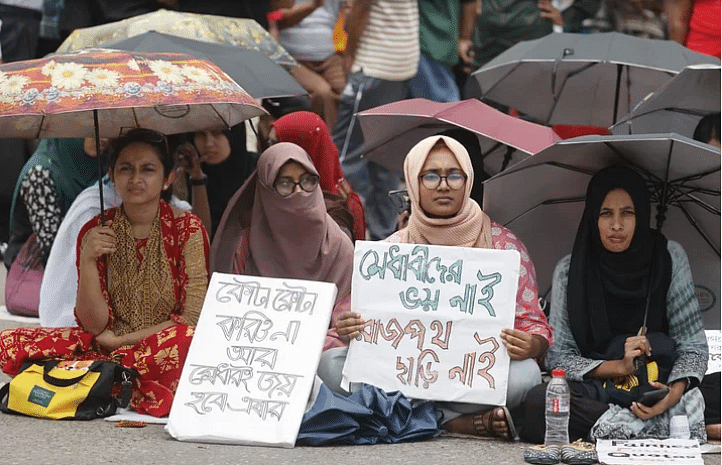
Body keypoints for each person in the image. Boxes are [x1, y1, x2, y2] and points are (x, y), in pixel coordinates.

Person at [336, 135, 553, 440]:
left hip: (471, 379)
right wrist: (348, 327)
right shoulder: (392, 250)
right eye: (431, 176)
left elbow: (534, 323)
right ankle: (454, 421)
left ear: (468, 180)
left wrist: (533, 344)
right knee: (330, 366)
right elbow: (352, 314)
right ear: (413, 182)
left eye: (454, 175)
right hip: (408, 377)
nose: (443, 185)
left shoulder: (504, 247)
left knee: (527, 375)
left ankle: (418, 416)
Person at [0, 128, 210, 417]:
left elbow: (191, 318)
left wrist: (123, 340)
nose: (135, 179)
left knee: (189, 341)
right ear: (112, 175)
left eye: (148, 169)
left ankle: (108, 379)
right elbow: (93, 325)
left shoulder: (188, 228)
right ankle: (118, 378)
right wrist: (88, 259)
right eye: (126, 168)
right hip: (105, 346)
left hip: (160, 346)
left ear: (168, 178)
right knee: (12, 341)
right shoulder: (96, 228)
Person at [520, 165, 709, 443]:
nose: (616, 225)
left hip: (659, 383)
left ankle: (625, 427)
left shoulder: (668, 257)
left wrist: (672, 395)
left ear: (642, 215)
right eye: (606, 213)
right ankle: (672, 428)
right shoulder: (570, 271)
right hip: (599, 388)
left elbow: (691, 346)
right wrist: (617, 366)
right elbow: (559, 357)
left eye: (628, 213)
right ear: (592, 217)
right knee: (540, 401)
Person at [210, 142, 354, 394]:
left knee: (334, 369)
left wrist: (304, 352)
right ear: (266, 190)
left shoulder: (339, 244)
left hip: (319, 355)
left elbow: (342, 324)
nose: (299, 192)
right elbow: (231, 315)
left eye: (308, 181)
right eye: (285, 184)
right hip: (257, 355)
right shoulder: (247, 244)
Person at [332, 0, 419, 241]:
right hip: (402, 63)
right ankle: (385, 236)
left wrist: (349, 53)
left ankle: (338, 233)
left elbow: (362, 7)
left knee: (345, 157)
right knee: (384, 155)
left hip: (375, 64)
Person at [5, 137, 108, 270]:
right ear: (66, 132)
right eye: (86, 128)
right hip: (43, 275)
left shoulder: (105, 168)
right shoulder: (40, 175)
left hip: (83, 271)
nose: (103, 138)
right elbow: (53, 252)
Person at [270, 110, 366, 241]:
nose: (269, 152)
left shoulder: (348, 207)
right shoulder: (266, 192)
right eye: (268, 143)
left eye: (275, 144)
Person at [275, 0, 347, 130]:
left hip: (329, 56)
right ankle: (327, 145)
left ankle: (350, 143)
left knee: (351, 92)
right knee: (322, 92)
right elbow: (277, 18)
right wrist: (313, 5)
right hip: (291, 58)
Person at [175, 124, 257, 237]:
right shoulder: (182, 176)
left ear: (233, 135)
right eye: (201, 134)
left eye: (217, 133)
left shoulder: (256, 170)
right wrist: (196, 179)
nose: (208, 143)